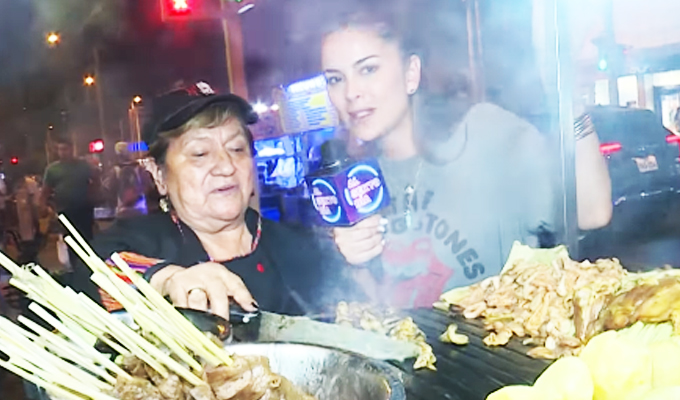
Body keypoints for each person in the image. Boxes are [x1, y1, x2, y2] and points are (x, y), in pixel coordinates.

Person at [320, 6, 612, 308]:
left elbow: (592, 210)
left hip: (502, 337)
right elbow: (380, 314)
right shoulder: (356, 182)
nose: (351, 92)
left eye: (368, 69)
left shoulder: (484, 134)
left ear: (411, 73)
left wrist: (566, 95)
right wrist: (355, 262)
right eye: (335, 79)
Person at [71, 82, 362, 319]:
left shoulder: (296, 245)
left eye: (237, 149)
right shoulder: (141, 241)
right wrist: (166, 279)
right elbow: (94, 273)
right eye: (200, 153)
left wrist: (356, 257)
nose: (226, 166)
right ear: (159, 175)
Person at [103, 142, 152, 219]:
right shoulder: (139, 168)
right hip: (140, 208)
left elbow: (108, 188)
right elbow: (148, 186)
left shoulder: (115, 170)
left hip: (123, 209)